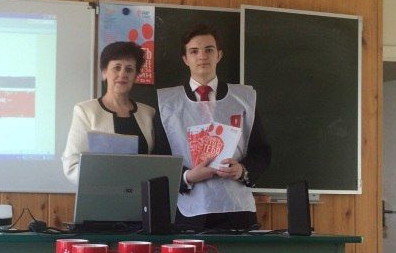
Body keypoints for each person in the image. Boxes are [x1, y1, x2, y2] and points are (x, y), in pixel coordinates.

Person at [154, 24, 271, 231]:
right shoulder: (167, 103)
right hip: (189, 211)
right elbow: (159, 159)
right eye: (194, 51)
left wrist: (242, 170)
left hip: (236, 209)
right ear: (185, 59)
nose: (202, 56)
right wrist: (187, 177)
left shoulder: (244, 99)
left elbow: (261, 151)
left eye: (209, 50)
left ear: (219, 55)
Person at [62, 41, 156, 184]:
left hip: (140, 194)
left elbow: (154, 161)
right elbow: (71, 164)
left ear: (136, 75)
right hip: (100, 192)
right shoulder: (86, 111)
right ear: (104, 72)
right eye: (117, 68)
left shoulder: (148, 113)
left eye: (129, 69)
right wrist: (103, 182)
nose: (122, 74)